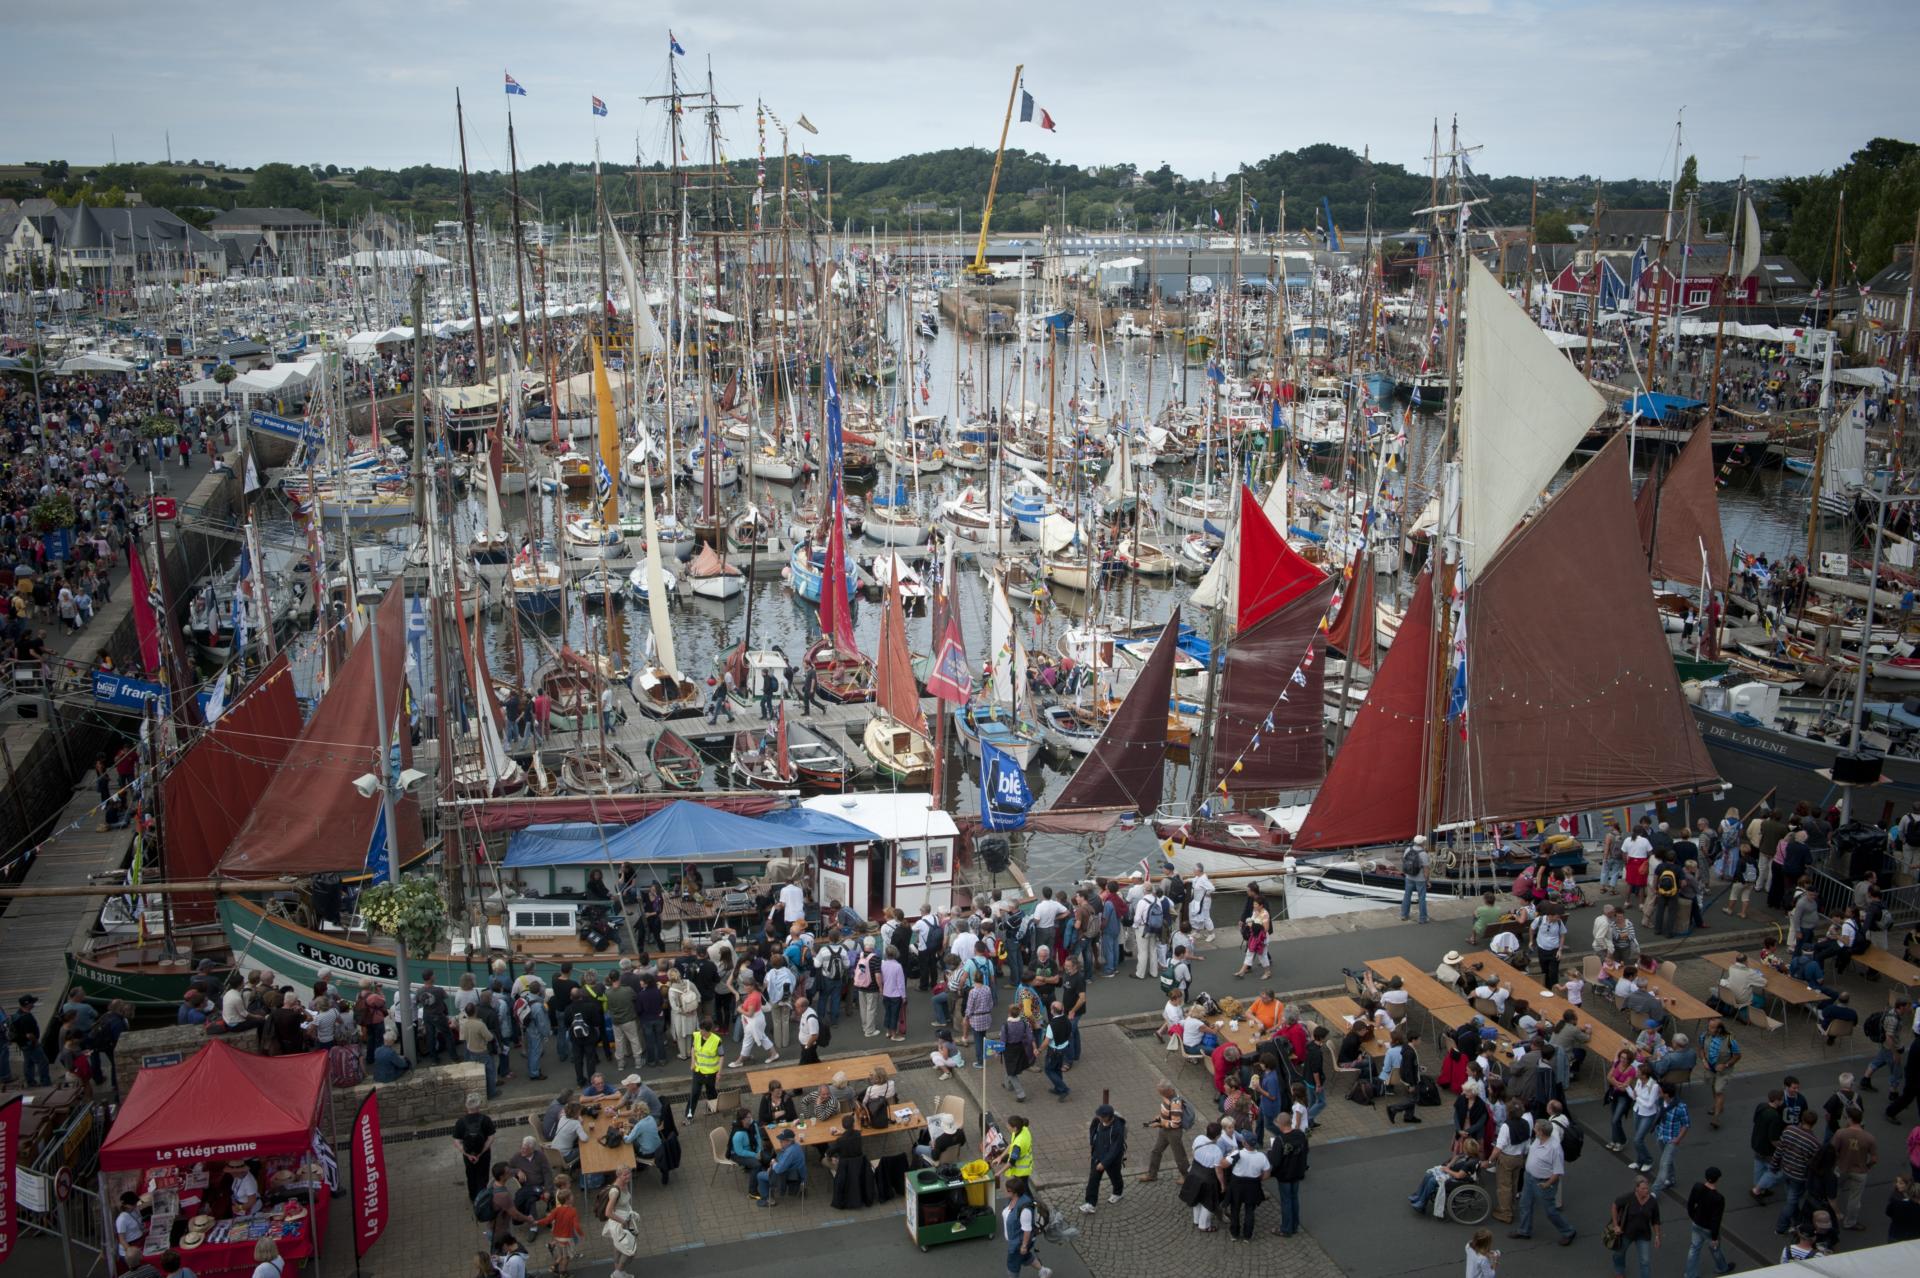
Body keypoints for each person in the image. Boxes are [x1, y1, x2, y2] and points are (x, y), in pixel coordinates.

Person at [1831, 1105, 1878, 1230]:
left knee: (1834, 1191)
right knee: (1854, 1199)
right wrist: (1867, 1167)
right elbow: (1874, 1159)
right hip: (1859, 1171)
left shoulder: (1840, 1133)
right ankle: (1850, 1222)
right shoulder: (1869, 1138)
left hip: (1841, 1168)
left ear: (1850, 1119)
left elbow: (1832, 1151)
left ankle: (1831, 1214)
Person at [1683, 1167, 1734, 1278]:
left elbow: (1690, 1204)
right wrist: (1715, 1237)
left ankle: (1690, 1274)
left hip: (1696, 1224)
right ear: (1717, 1179)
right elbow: (1716, 1219)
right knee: (1715, 1248)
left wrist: (1694, 1217)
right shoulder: (1718, 1198)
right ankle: (1722, 1267)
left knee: (1694, 1248)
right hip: (1709, 1229)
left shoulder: (1697, 1187)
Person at [1002, 1174, 1054, 1278]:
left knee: (1012, 1267)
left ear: (1014, 1193)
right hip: (1016, 1240)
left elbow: (1027, 1230)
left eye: (1007, 1190)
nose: (1004, 1191)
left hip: (1018, 1243)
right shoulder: (1012, 1200)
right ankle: (1044, 1271)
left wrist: (1023, 1246)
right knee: (1025, 1257)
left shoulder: (1025, 1210)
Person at [1609, 1175, 1662, 1278]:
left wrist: (1657, 1236)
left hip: (1643, 1235)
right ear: (1636, 1189)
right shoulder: (1629, 1197)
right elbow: (1615, 1205)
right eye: (1643, 1188)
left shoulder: (1652, 1202)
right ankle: (1620, 1271)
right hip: (1626, 1233)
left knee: (1645, 1261)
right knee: (1618, 1254)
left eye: (1647, 1188)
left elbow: (1656, 1220)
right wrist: (1616, 1225)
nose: (1646, 1190)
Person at [1223, 1132, 1271, 1242]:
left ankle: (1234, 1234)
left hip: (1237, 1185)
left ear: (1244, 1143)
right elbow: (1267, 1174)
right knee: (1250, 1210)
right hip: (1253, 1185)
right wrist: (1257, 1179)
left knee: (1235, 1209)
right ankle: (1247, 1236)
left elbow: (1223, 1164)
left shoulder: (1237, 1153)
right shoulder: (1261, 1156)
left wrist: (1228, 1155)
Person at [1081, 1103, 1128, 1214]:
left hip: (1112, 1159)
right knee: (1093, 1179)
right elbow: (1093, 1129)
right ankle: (1090, 1203)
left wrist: (1104, 1163)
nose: (1098, 1117)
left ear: (1107, 1117)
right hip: (1097, 1155)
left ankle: (1118, 1192)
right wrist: (1092, 1142)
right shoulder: (1097, 1121)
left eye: (1101, 1116)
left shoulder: (1117, 1129)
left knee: (1115, 1176)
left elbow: (1115, 1149)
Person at [1141, 1082, 1192, 1182]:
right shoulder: (1168, 1096)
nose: (1161, 1095)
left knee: (1179, 1156)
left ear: (1169, 1091)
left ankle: (1186, 1176)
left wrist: (1160, 1123)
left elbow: (1175, 1124)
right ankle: (1152, 1175)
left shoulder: (1176, 1103)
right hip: (1164, 1130)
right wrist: (1160, 1117)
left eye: (1162, 1093)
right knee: (1156, 1151)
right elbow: (1168, 1112)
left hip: (1173, 1133)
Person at [1269, 1112, 1309, 1237]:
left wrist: (1270, 1153)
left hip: (1285, 1175)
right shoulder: (1301, 1135)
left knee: (1286, 1201)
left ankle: (1286, 1228)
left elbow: (1275, 1161)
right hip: (1297, 1172)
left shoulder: (1279, 1140)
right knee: (1294, 1198)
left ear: (1280, 1124)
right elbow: (1306, 1151)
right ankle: (1295, 1225)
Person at [452, 1094, 497, 1205]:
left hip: (468, 1155)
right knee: (483, 1175)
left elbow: (456, 1142)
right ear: (478, 1107)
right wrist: (480, 1153)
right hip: (484, 1154)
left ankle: (473, 1197)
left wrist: (467, 1155)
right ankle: (483, 1198)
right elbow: (491, 1138)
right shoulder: (486, 1120)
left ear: (467, 1107)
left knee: (471, 1175)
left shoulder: (460, 1122)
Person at [754, 1128, 809, 1206]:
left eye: (782, 1141)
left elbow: (779, 1170)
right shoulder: (796, 1146)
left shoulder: (790, 1152)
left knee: (759, 1175)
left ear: (789, 1141)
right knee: (773, 1164)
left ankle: (768, 1200)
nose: (780, 1142)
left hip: (793, 1177)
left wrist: (773, 1164)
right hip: (800, 1174)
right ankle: (770, 1192)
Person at [1653, 1081, 1690, 1192]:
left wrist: (1678, 1139)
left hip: (1671, 1140)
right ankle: (1671, 1179)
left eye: (1660, 1091)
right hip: (1660, 1136)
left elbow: (1686, 1124)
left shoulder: (1681, 1107)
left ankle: (1654, 1191)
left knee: (1664, 1164)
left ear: (1667, 1094)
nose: (1658, 1092)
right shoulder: (1660, 1102)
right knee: (1668, 1160)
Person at [686, 1018, 722, 1119]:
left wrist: (719, 1072)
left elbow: (722, 1056)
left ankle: (714, 1109)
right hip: (698, 1071)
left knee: (711, 1091)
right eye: (700, 1029)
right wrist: (693, 1061)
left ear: (708, 1031)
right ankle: (689, 1116)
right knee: (694, 1093)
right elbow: (693, 1048)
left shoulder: (717, 1040)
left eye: (702, 1030)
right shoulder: (696, 1035)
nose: (700, 1031)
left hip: (710, 1073)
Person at [1401, 835, 1432, 924]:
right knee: (1421, 898)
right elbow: (1426, 870)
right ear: (1422, 843)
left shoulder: (1408, 850)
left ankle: (1404, 915)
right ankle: (1422, 918)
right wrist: (1428, 881)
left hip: (1409, 877)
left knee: (1407, 895)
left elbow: (1404, 861)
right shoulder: (1424, 854)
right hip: (1420, 880)